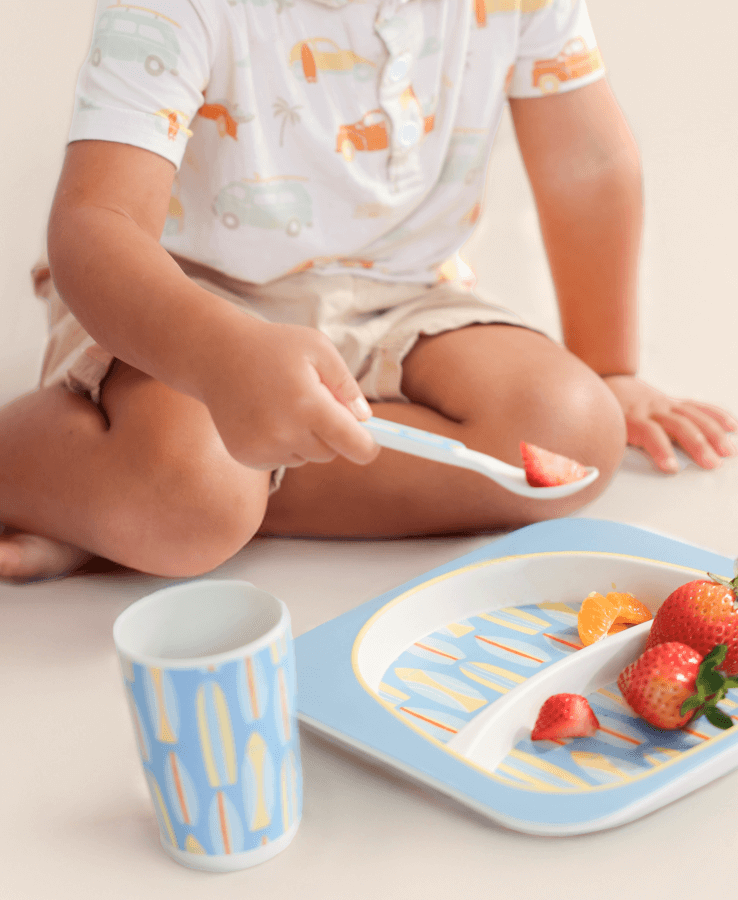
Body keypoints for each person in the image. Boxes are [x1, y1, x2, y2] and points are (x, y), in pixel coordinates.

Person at [1, 0, 735, 583]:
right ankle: (130, 497)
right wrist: (216, 356)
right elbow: (98, 226)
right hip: (182, 298)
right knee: (191, 496)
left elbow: (589, 165)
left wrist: (610, 367)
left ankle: (142, 507)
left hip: (402, 290)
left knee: (573, 435)